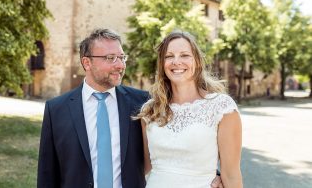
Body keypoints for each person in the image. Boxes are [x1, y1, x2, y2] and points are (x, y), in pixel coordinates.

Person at [37, 29, 224, 188]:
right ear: (87, 63)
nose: (120, 65)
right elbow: (47, 173)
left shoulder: (143, 103)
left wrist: (210, 174)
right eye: (110, 58)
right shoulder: (56, 110)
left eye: (121, 57)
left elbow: (178, 139)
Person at [137, 31, 242, 188]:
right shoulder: (150, 110)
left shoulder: (222, 108)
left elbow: (231, 175)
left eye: (185, 55)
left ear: (197, 61)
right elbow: (142, 167)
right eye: (169, 56)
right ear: (162, 64)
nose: (176, 61)